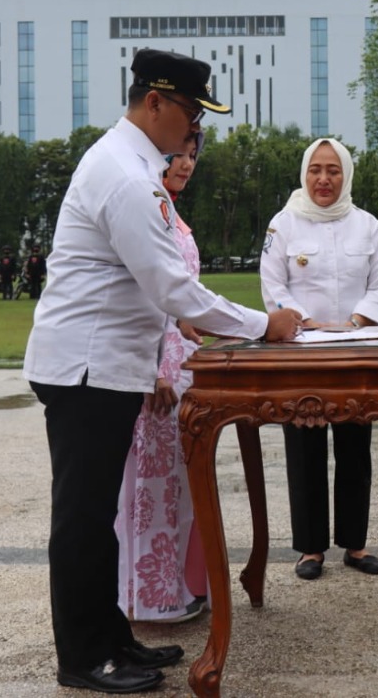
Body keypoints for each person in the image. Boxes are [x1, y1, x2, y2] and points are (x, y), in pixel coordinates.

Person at [23, 48, 300, 694]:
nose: (194, 127)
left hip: (106, 366)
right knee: (84, 518)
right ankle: (84, 656)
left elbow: (158, 290)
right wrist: (264, 322)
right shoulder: (124, 175)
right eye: (190, 111)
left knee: (96, 518)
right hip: (88, 369)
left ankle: (114, 637)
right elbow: (171, 285)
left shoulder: (130, 164)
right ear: (155, 102)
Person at [260, 138, 378, 580]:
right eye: (316, 169)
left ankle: (355, 545)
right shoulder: (283, 225)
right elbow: (273, 286)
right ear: (304, 173)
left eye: (333, 170)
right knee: (304, 449)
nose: (323, 179)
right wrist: (308, 323)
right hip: (301, 354)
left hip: (356, 353)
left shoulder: (367, 225)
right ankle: (310, 549)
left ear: (346, 175)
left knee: (356, 449)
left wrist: (357, 321)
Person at [116, 132, 212, 624]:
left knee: (181, 483)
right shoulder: (144, 212)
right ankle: (151, 597)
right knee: (152, 488)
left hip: (184, 366)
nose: (187, 164)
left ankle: (183, 583)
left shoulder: (170, 213)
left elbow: (180, 301)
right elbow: (140, 299)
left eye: (194, 156)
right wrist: (153, 373)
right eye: (179, 154)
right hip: (156, 371)